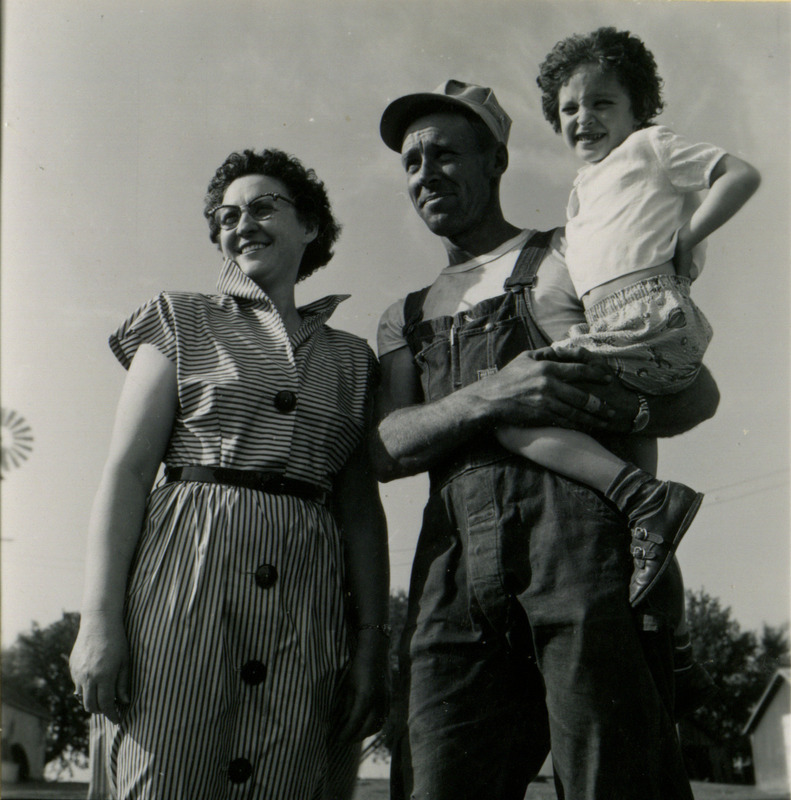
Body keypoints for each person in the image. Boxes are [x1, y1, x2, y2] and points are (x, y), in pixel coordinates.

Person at [373, 79, 720, 799]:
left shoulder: (570, 256)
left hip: (582, 555)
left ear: (496, 161)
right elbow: (387, 445)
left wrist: (602, 409)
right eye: (410, 162)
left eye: (445, 153)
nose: (425, 173)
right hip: (452, 575)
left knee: (613, 779)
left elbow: (694, 392)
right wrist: (492, 395)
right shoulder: (401, 316)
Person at [69, 148, 390, 800]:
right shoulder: (179, 320)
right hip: (183, 581)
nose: (242, 223)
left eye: (263, 206)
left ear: (310, 227)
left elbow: (361, 516)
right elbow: (128, 472)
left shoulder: (353, 359)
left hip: (307, 603)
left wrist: (372, 649)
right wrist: (98, 621)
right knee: (163, 774)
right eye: (226, 215)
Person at [494, 27, 760, 605]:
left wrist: (689, 235)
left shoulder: (650, 148)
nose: (582, 117)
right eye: (568, 108)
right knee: (629, 460)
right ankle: (666, 609)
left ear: (638, 107)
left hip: (652, 320)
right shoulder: (582, 191)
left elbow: (741, 174)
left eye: (601, 102)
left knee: (513, 411)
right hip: (622, 333)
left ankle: (647, 503)